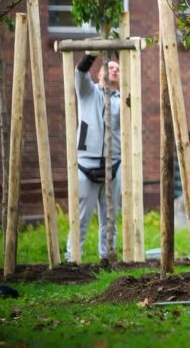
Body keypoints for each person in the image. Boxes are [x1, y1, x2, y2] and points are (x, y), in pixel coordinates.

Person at [66, 53, 121, 262]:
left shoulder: (123, 99)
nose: (114, 70)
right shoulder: (88, 92)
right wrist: (91, 54)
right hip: (86, 163)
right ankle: (73, 260)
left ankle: (107, 258)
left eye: (118, 68)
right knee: (81, 217)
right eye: (109, 67)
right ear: (99, 74)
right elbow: (80, 73)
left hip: (113, 163)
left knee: (110, 219)